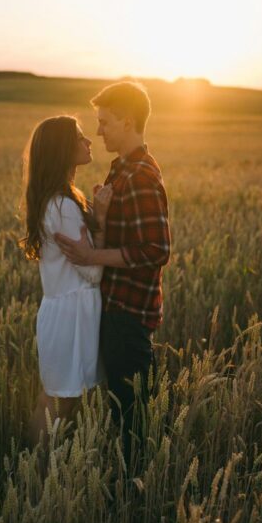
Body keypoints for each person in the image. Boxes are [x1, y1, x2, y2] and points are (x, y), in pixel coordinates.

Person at [54, 81, 171, 467]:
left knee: (133, 423)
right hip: (115, 308)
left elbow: (156, 250)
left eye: (105, 122)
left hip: (128, 314)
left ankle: (137, 497)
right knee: (122, 414)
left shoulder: (140, 176)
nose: (99, 130)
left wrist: (91, 255)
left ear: (127, 120)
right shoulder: (121, 169)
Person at [20, 115, 113, 448]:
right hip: (71, 316)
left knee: (58, 401)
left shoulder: (56, 200)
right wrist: (100, 220)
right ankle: (36, 474)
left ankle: (37, 472)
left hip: (65, 312)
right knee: (57, 404)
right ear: (63, 149)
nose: (88, 141)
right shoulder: (64, 206)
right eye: (79, 137)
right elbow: (92, 271)